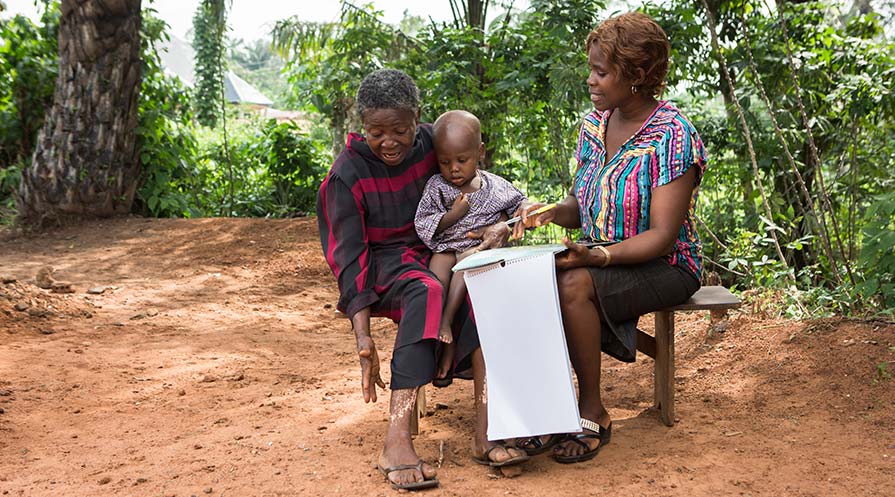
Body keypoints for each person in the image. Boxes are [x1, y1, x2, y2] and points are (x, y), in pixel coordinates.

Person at [316, 69, 528, 490]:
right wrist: (362, 336)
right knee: (426, 290)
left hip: (435, 253)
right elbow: (348, 258)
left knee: (487, 288)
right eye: (377, 132)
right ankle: (396, 440)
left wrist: (503, 223)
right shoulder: (347, 176)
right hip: (383, 267)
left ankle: (488, 430)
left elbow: (483, 186)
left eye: (400, 130)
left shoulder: (436, 143)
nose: (389, 141)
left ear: (418, 120)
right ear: (362, 127)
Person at [512, 12, 706, 464]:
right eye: (591, 69)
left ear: (637, 76)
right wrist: (549, 212)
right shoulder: (593, 126)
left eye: (601, 72)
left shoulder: (673, 137)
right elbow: (580, 206)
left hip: (667, 264)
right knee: (528, 280)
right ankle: (544, 408)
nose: (590, 80)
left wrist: (595, 258)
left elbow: (661, 237)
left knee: (572, 285)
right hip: (598, 255)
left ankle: (591, 410)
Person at [414, 110, 527, 386]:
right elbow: (423, 221)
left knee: (466, 264)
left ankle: (447, 323)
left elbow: (520, 204)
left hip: (476, 252)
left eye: (462, 160)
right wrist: (453, 215)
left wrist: (517, 217)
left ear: (480, 152)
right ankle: (439, 346)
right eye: (444, 162)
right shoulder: (436, 187)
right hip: (445, 247)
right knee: (436, 277)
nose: (453, 169)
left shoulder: (494, 186)